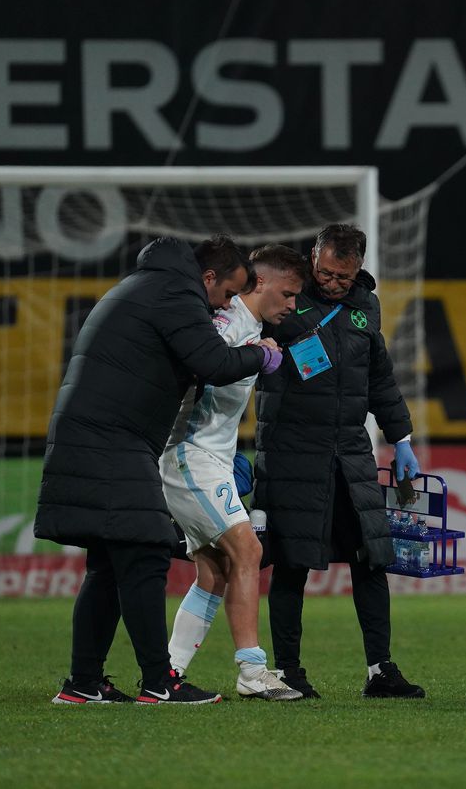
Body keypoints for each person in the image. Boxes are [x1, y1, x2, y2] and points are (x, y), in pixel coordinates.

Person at [36, 235, 283, 705]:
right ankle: (159, 681)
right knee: (145, 553)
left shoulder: (146, 284)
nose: (227, 304)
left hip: (97, 434)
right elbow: (211, 360)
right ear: (208, 277)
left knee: (108, 564)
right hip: (114, 439)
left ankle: (82, 684)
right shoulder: (177, 293)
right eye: (228, 293)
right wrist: (261, 355)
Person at [254, 223, 425, 699]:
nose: (332, 283)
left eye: (343, 278)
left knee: (371, 560)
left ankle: (380, 671)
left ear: (358, 271)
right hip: (291, 453)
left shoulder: (364, 307)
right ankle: (289, 672)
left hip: (350, 453)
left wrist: (401, 437)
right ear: (313, 257)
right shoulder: (283, 299)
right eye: (326, 273)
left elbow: (380, 379)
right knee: (291, 564)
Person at [160, 245, 308, 701]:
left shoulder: (254, 328)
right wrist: (255, 354)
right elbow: (200, 367)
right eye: (287, 293)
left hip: (213, 458)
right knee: (248, 550)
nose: (292, 305)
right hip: (188, 454)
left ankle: (168, 674)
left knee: (216, 570)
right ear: (259, 283)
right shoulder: (225, 325)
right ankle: (251, 670)